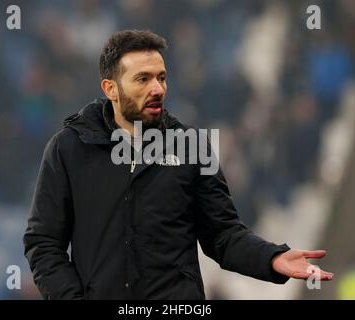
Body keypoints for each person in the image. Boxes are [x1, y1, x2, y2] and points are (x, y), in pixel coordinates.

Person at [23, 29, 333, 300]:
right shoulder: (68, 149)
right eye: (143, 79)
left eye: (161, 77)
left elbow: (222, 236)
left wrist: (272, 258)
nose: (157, 89)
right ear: (111, 89)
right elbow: (43, 242)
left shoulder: (192, 147)